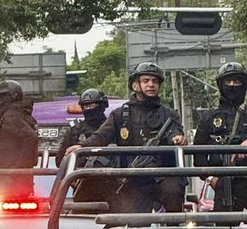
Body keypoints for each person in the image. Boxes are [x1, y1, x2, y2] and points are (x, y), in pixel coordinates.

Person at [68, 62, 186, 213]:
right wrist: (82, 147)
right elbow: (101, 136)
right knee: (134, 222)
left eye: (155, 81)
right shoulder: (120, 115)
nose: (151, 85)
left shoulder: (169, 114)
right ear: (135, 85)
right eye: (146, 81)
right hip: (134, 177)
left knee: (174, 191)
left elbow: (176, 133)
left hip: (163, 175)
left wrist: (178, 138)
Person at [193, 61, 247, 226]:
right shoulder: (209, 118)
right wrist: (211, 178)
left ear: (245, 85)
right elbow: (198, 156)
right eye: (228, 82)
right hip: (225, 183)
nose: (233, 85)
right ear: (221, 85)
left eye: (237, 81)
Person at [55, 88, 115, 208]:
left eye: (93, 105)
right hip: (82, 189)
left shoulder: (113, 128)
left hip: (112, 188)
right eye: (86, 106)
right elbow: (60, 161)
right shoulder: (75, 130)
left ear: (102, 105)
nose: (89, 109)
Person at [0, 80, 38, 196]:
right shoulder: (18, 114)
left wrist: (16, 170)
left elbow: (30, 137)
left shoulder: (12, 116)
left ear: (12, 97)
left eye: (2, 97)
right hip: (12, 181)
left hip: (12, 183)